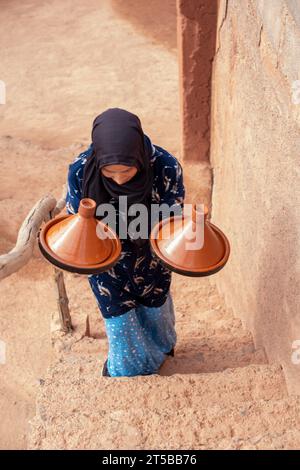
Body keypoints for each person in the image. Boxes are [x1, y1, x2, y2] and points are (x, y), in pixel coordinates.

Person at [65, 107, 185, 377]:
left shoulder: (165, 166)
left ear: (139, 158)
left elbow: (173, 216)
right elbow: (76, 221)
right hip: (104, 259)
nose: (119, 179)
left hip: (152, 256)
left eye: (127, 171)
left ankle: (161, 352)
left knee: (155, 308)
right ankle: (127, 370)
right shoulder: (81, 170)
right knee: (119, 320)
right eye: (110, 173)